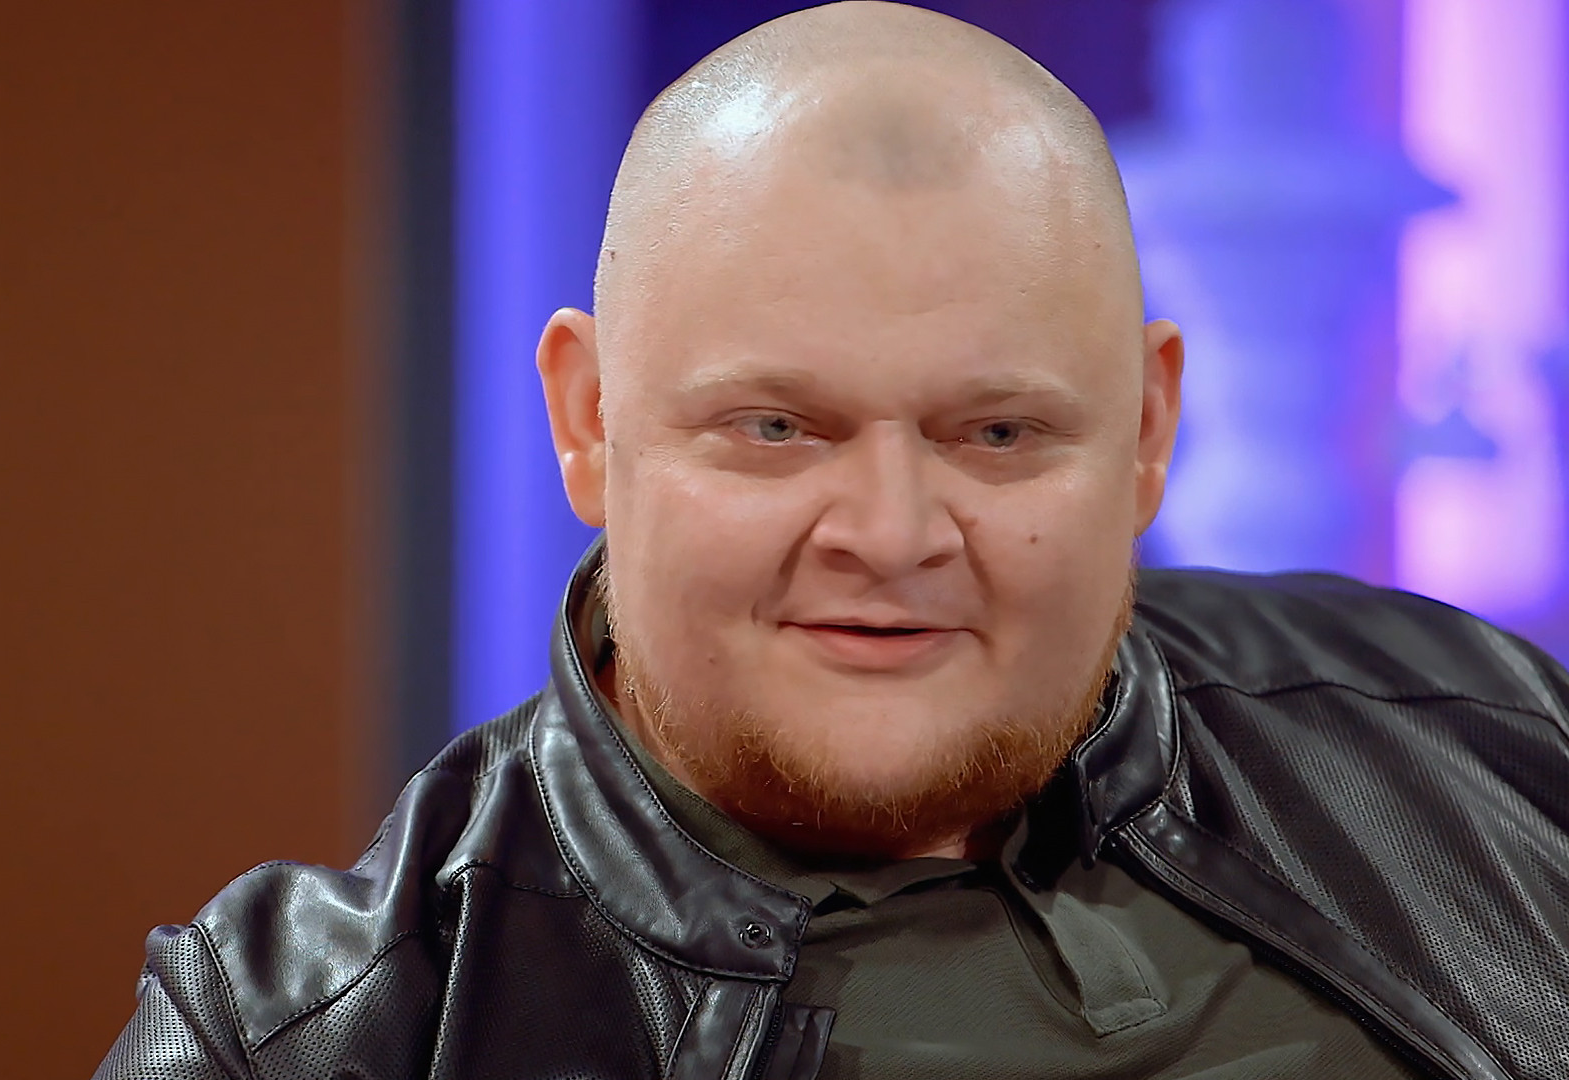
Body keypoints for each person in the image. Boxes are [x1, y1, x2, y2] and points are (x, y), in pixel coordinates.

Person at [93, 4, 1569, 1078]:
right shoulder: (316, 1033)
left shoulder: (1488, 733)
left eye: (998, 434)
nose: (890, 533)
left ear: (1146, 429)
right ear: (589, 420)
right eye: (776, 428)